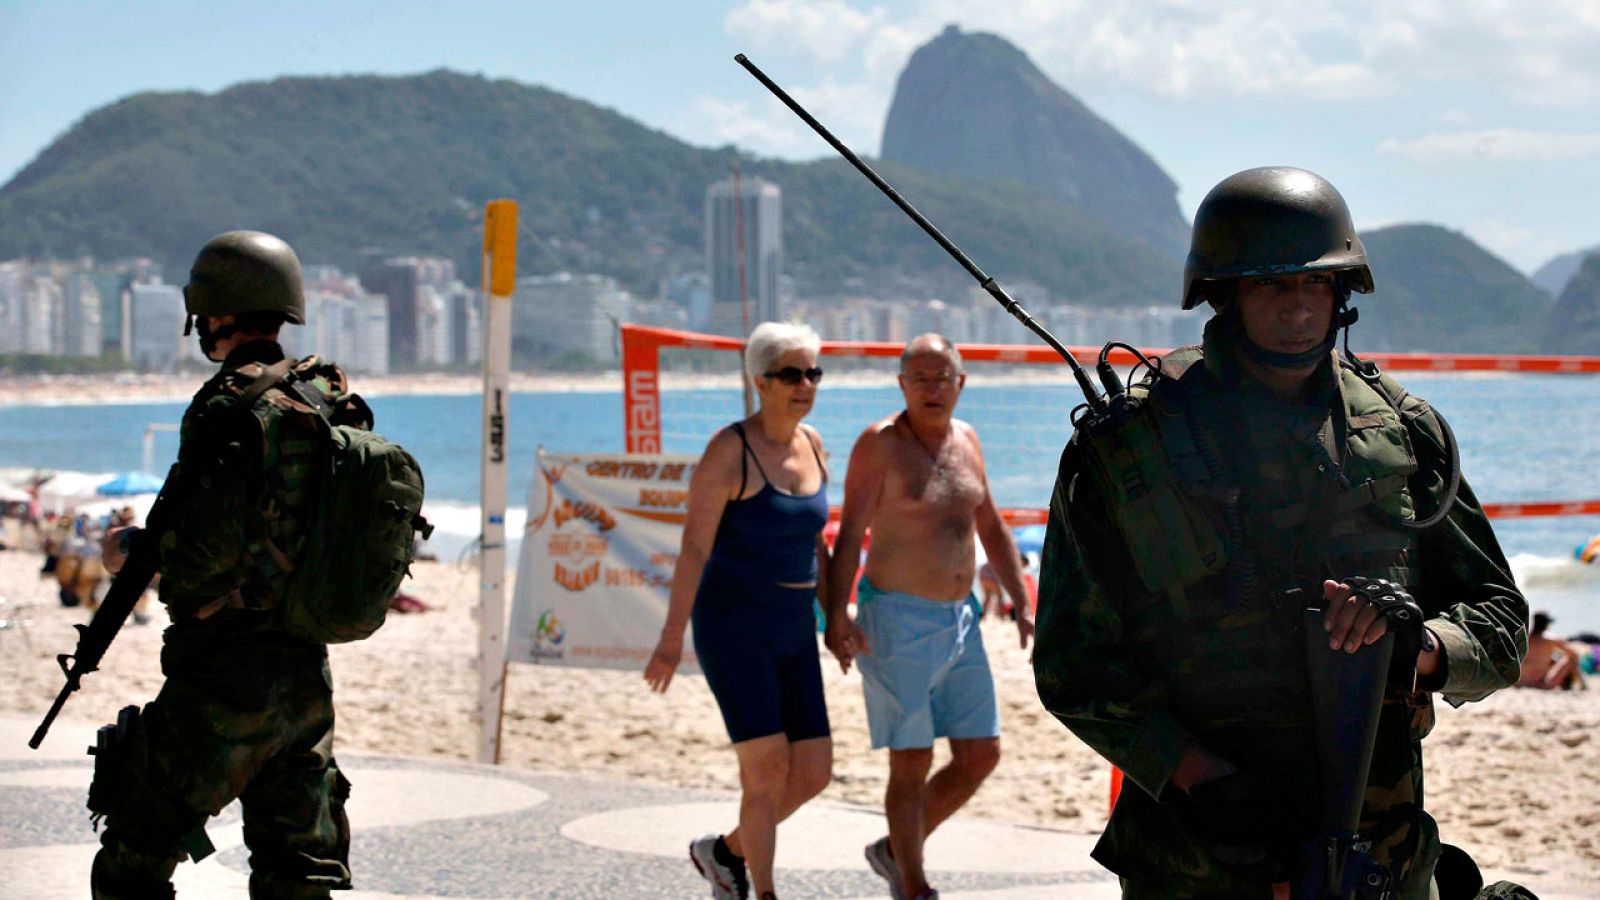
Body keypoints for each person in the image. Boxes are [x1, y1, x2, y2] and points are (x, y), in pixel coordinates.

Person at [1032, 167, 1531, 899]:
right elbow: (1074, 668)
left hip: (1377, 849)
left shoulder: (1400, 432)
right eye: (1271, 286)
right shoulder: (1132, 452)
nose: (1297, 308)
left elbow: (1500, 622)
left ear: (1342, 296)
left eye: (1314, 285)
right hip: (1202, 855)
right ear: (1226, 294)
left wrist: (1418, 648)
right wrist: (1198, 776)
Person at [94, 230, 353, 898]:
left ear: (216, 313)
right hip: (306, 678)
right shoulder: (326, 398)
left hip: (223, 678)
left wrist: (126, 552)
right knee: (299, 875)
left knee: (132, 857)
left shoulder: (228, 405)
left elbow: (201, 557)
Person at [826, 333, 1035, 900]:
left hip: (961, 619)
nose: (931, 388)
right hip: (895, 618)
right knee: (911, 760)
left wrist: (1020, 599)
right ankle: (912, 885)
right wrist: (834, 616)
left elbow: (990, 525)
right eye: (919, 378)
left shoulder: (967, 438)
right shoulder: (880, 444)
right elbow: (848, 537)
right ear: (901, 385)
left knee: (979, 754)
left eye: (942, 377)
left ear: (961, 384)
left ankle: (896, 851)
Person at [644, 321, 835, 900]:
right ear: (760, 381)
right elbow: (694, 547)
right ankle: (763, 891)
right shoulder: (731, 450)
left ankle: (725, 852)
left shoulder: (814, 443)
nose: (804, 385)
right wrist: (671, 638)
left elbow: (817, 543)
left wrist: (839, 618)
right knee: (767, 767)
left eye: (813, 373)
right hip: (735, 628)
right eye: (790, 374)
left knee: (815, 770)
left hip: (796, 629)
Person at [1517, 611, 1586, 690]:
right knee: (1569, 659)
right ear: (1546, 625)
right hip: (1543, 684)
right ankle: (1582, 685)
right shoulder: (1550, 639)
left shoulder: (1523, 638)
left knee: (1553, 659)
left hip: (1520, 682)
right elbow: (1574, 654)